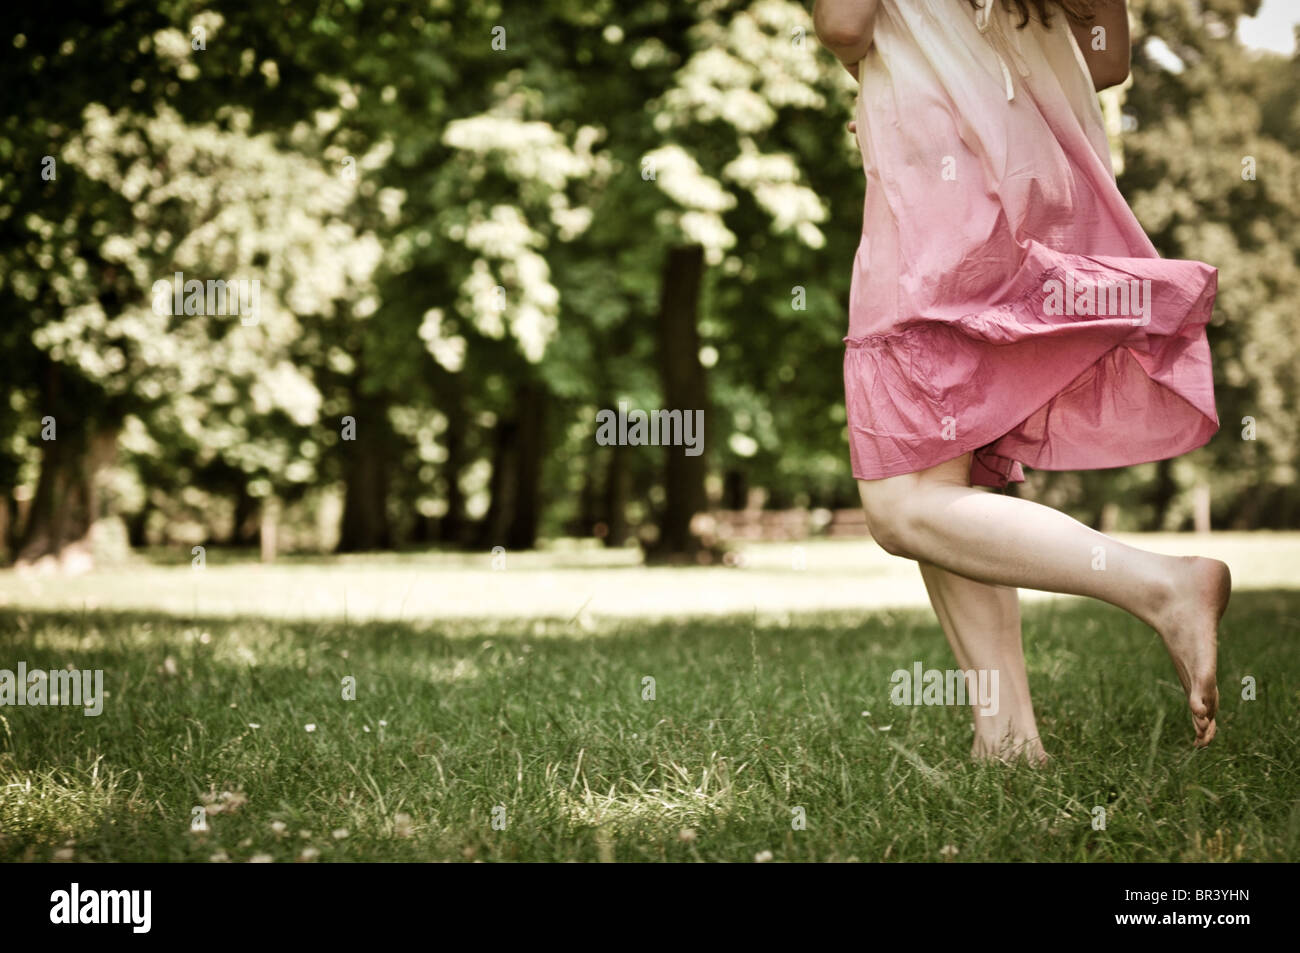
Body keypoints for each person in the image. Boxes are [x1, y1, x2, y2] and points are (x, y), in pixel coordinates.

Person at [813, 0, 1229, 762]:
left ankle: (1163, 585)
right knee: (948, 462)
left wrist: (888, 66)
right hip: (1029, 171)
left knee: (901, 502)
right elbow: (1106, 60)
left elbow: (845, 23)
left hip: (939, 184)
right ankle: (1005, 738)